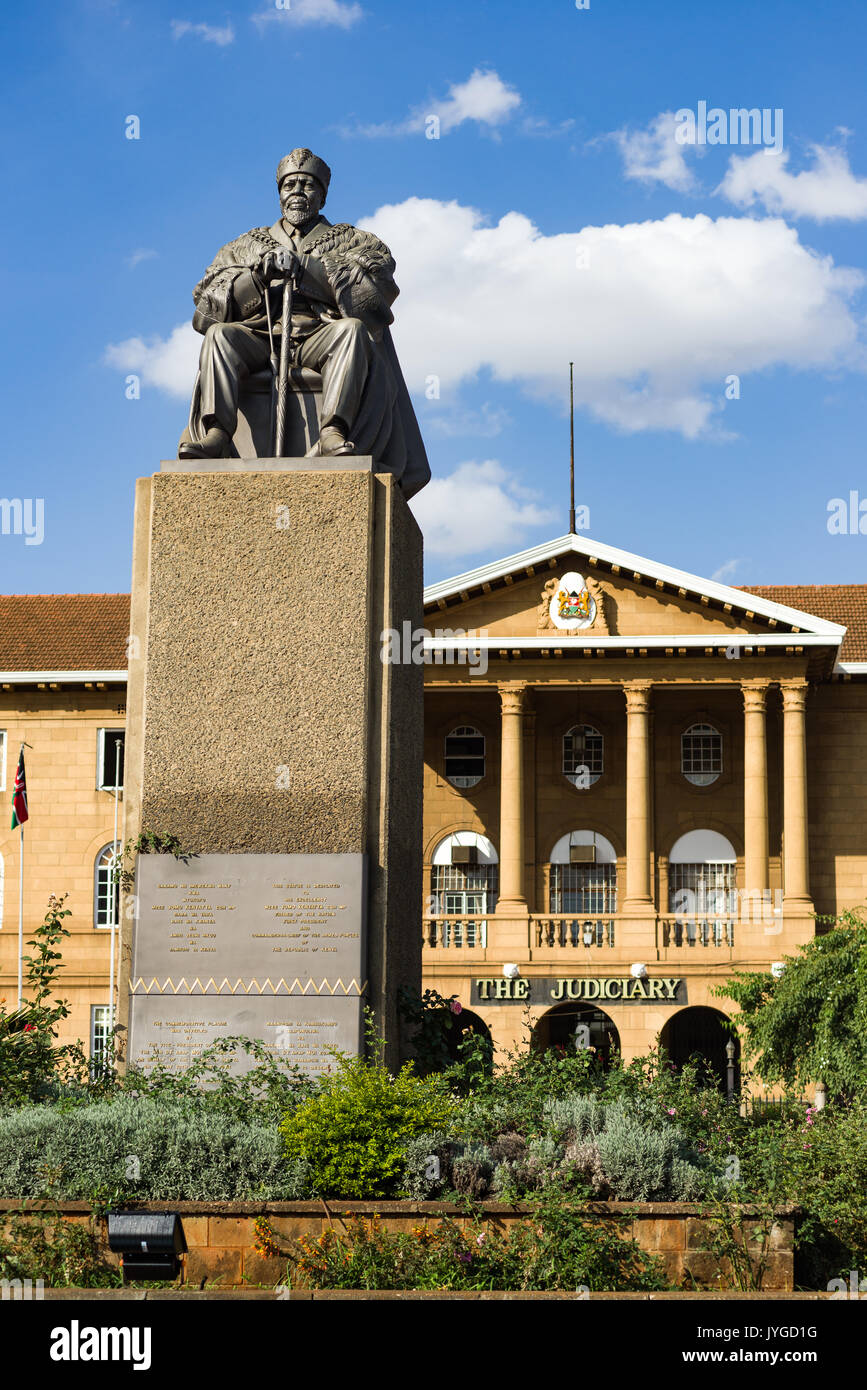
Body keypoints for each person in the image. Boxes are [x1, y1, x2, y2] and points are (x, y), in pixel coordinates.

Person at [178, 148, 430, 499]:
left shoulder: (356, 241)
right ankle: (217, 432)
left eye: (308, 185)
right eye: (290, 185)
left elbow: (375, 301)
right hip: (261, 336)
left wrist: (309, 269)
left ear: (322, 194)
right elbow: (205, 313)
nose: (297, 192)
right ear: (279, 193)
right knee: (220, 336)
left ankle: (334, 430)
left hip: (319, 334)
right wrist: (256, 277)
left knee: (352, 331)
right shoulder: (244, 245)